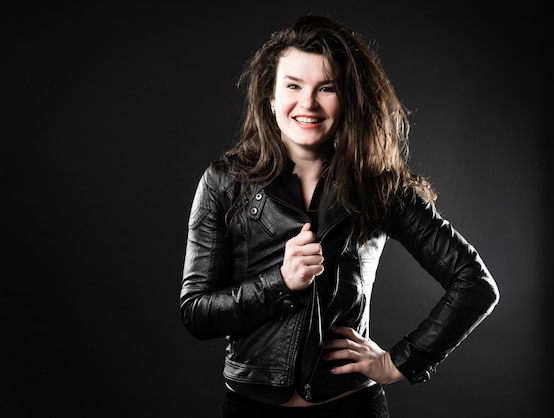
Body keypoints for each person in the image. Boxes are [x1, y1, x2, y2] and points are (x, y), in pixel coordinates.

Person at [179, 15, 499, 418]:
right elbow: (197, 313)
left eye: (326, 88)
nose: (308, 103)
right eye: (293, 86)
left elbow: (475, 284)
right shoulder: (225, 181)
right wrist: (279, 283)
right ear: (271, 98)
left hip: (352, 409)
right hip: (249, 410)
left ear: (347, 98)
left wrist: (397, 361)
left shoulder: (380, 187)